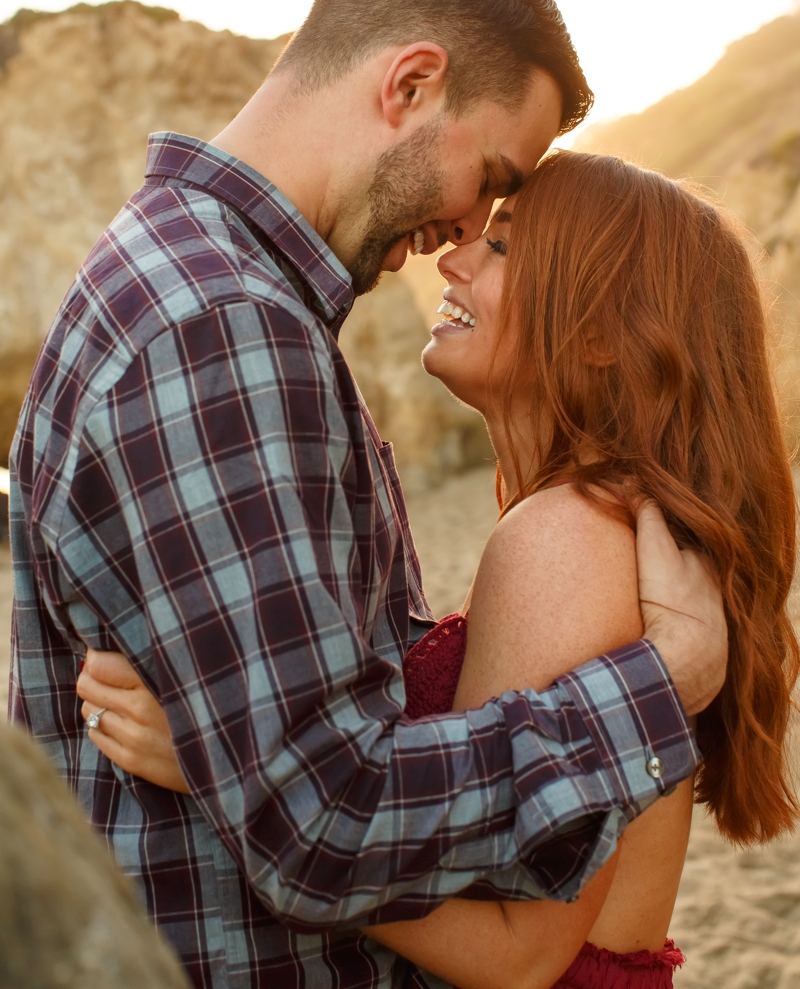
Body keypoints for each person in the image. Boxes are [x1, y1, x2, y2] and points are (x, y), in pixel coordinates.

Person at [9, 0, 724, 989]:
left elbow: (314, 765)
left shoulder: (212, 299)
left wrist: (220, 758)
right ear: (409, 85)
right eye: (488, 174)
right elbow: (322, 819)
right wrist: (658, 684)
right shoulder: (219, 328)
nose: (467, 228)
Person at [78, 151, 798, 989]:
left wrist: (236, 782)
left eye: (501, 248)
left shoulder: (569, 535)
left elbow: (516, 951)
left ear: (599, 333)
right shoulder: (595, 524)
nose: (451, 257)